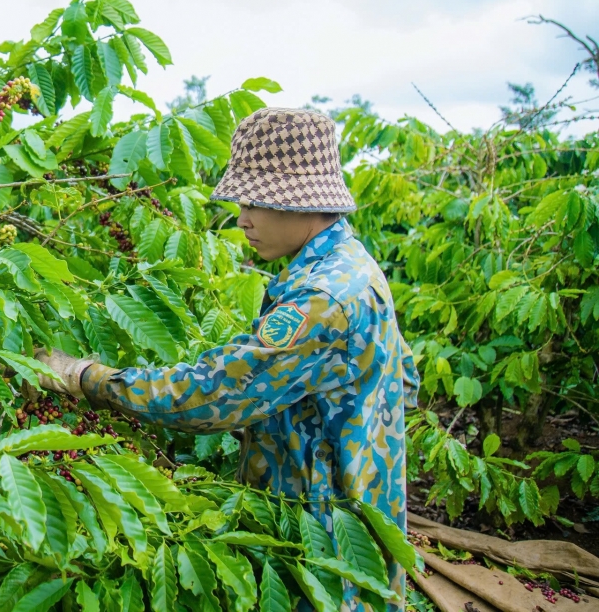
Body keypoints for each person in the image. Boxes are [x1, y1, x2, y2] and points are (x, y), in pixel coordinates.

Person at [36, 107, 418, 607]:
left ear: (299, 204)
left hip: (325, 548)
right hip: (355, 518)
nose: (242, 220)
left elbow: (213, 394)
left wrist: (85, 376)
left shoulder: (322, 298)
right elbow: (404, 381)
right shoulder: (351, 264)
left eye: (254, 203)